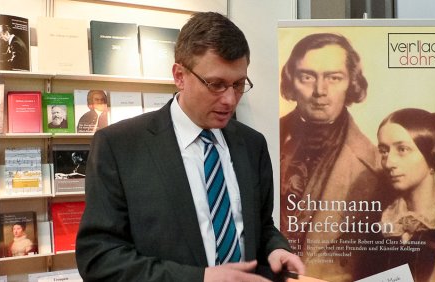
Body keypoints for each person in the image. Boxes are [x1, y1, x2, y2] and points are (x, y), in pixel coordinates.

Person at [76, 12, 305, 282]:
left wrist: (275, 248)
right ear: (180, 75)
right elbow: (99, 258)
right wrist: (200, 279)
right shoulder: (119, 147)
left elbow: (261, 226)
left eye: (239, 84)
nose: (230, 100)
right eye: (216, 84)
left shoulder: (252, 145)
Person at [279, 33, 382, 281]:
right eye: (307, 77)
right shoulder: (263, 141)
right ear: (292, 81)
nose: (320, 91)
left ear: (352, 84)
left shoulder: (376, 166)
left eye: (334, 78)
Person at [376, 108, 435, 282]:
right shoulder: (381, 222)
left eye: (402, 149)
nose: (389, 162)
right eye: (384, 151)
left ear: (430, 155)